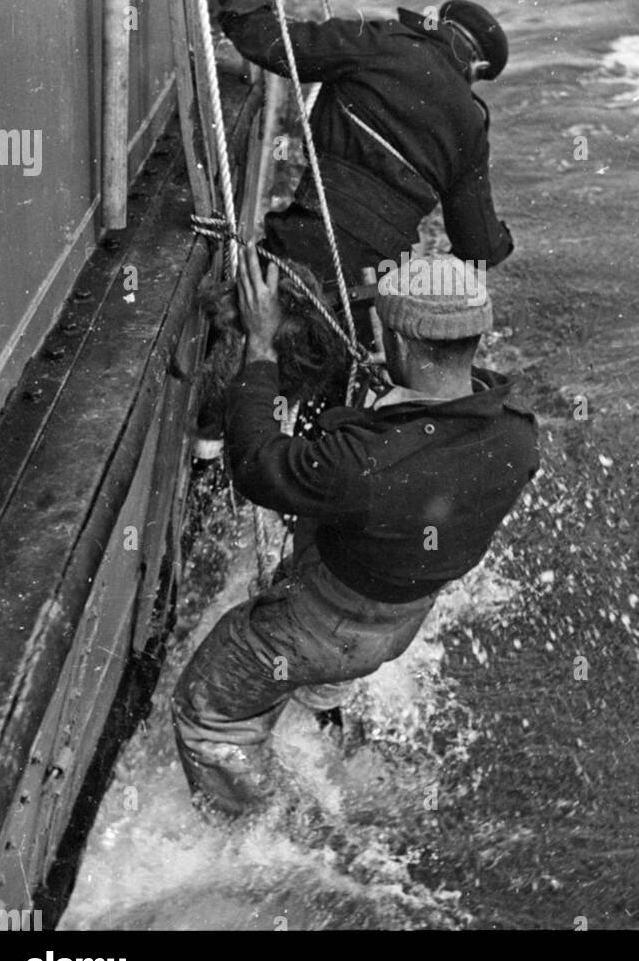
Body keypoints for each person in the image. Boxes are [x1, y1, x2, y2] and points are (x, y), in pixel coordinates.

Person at [172, 247, 539, 817]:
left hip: (315, 629)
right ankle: (324, 715)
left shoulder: (362, 466)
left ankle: (262, 833)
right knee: (330, 660)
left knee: (208, 717)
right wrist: (399, 402)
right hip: (393, 629)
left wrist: (262, 348)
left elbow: (255, 464)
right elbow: (427, 451)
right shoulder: (518, 437)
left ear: (401, 343)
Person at [214, 0, 515, 336]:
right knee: (330, 374)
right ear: (478, 71)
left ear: (437, 25)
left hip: (308, 240)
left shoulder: (383, 42)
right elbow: (478, 248)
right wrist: (502, 240)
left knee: (238, 330)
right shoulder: (472, 127)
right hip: (375, 286)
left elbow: (272, 42)